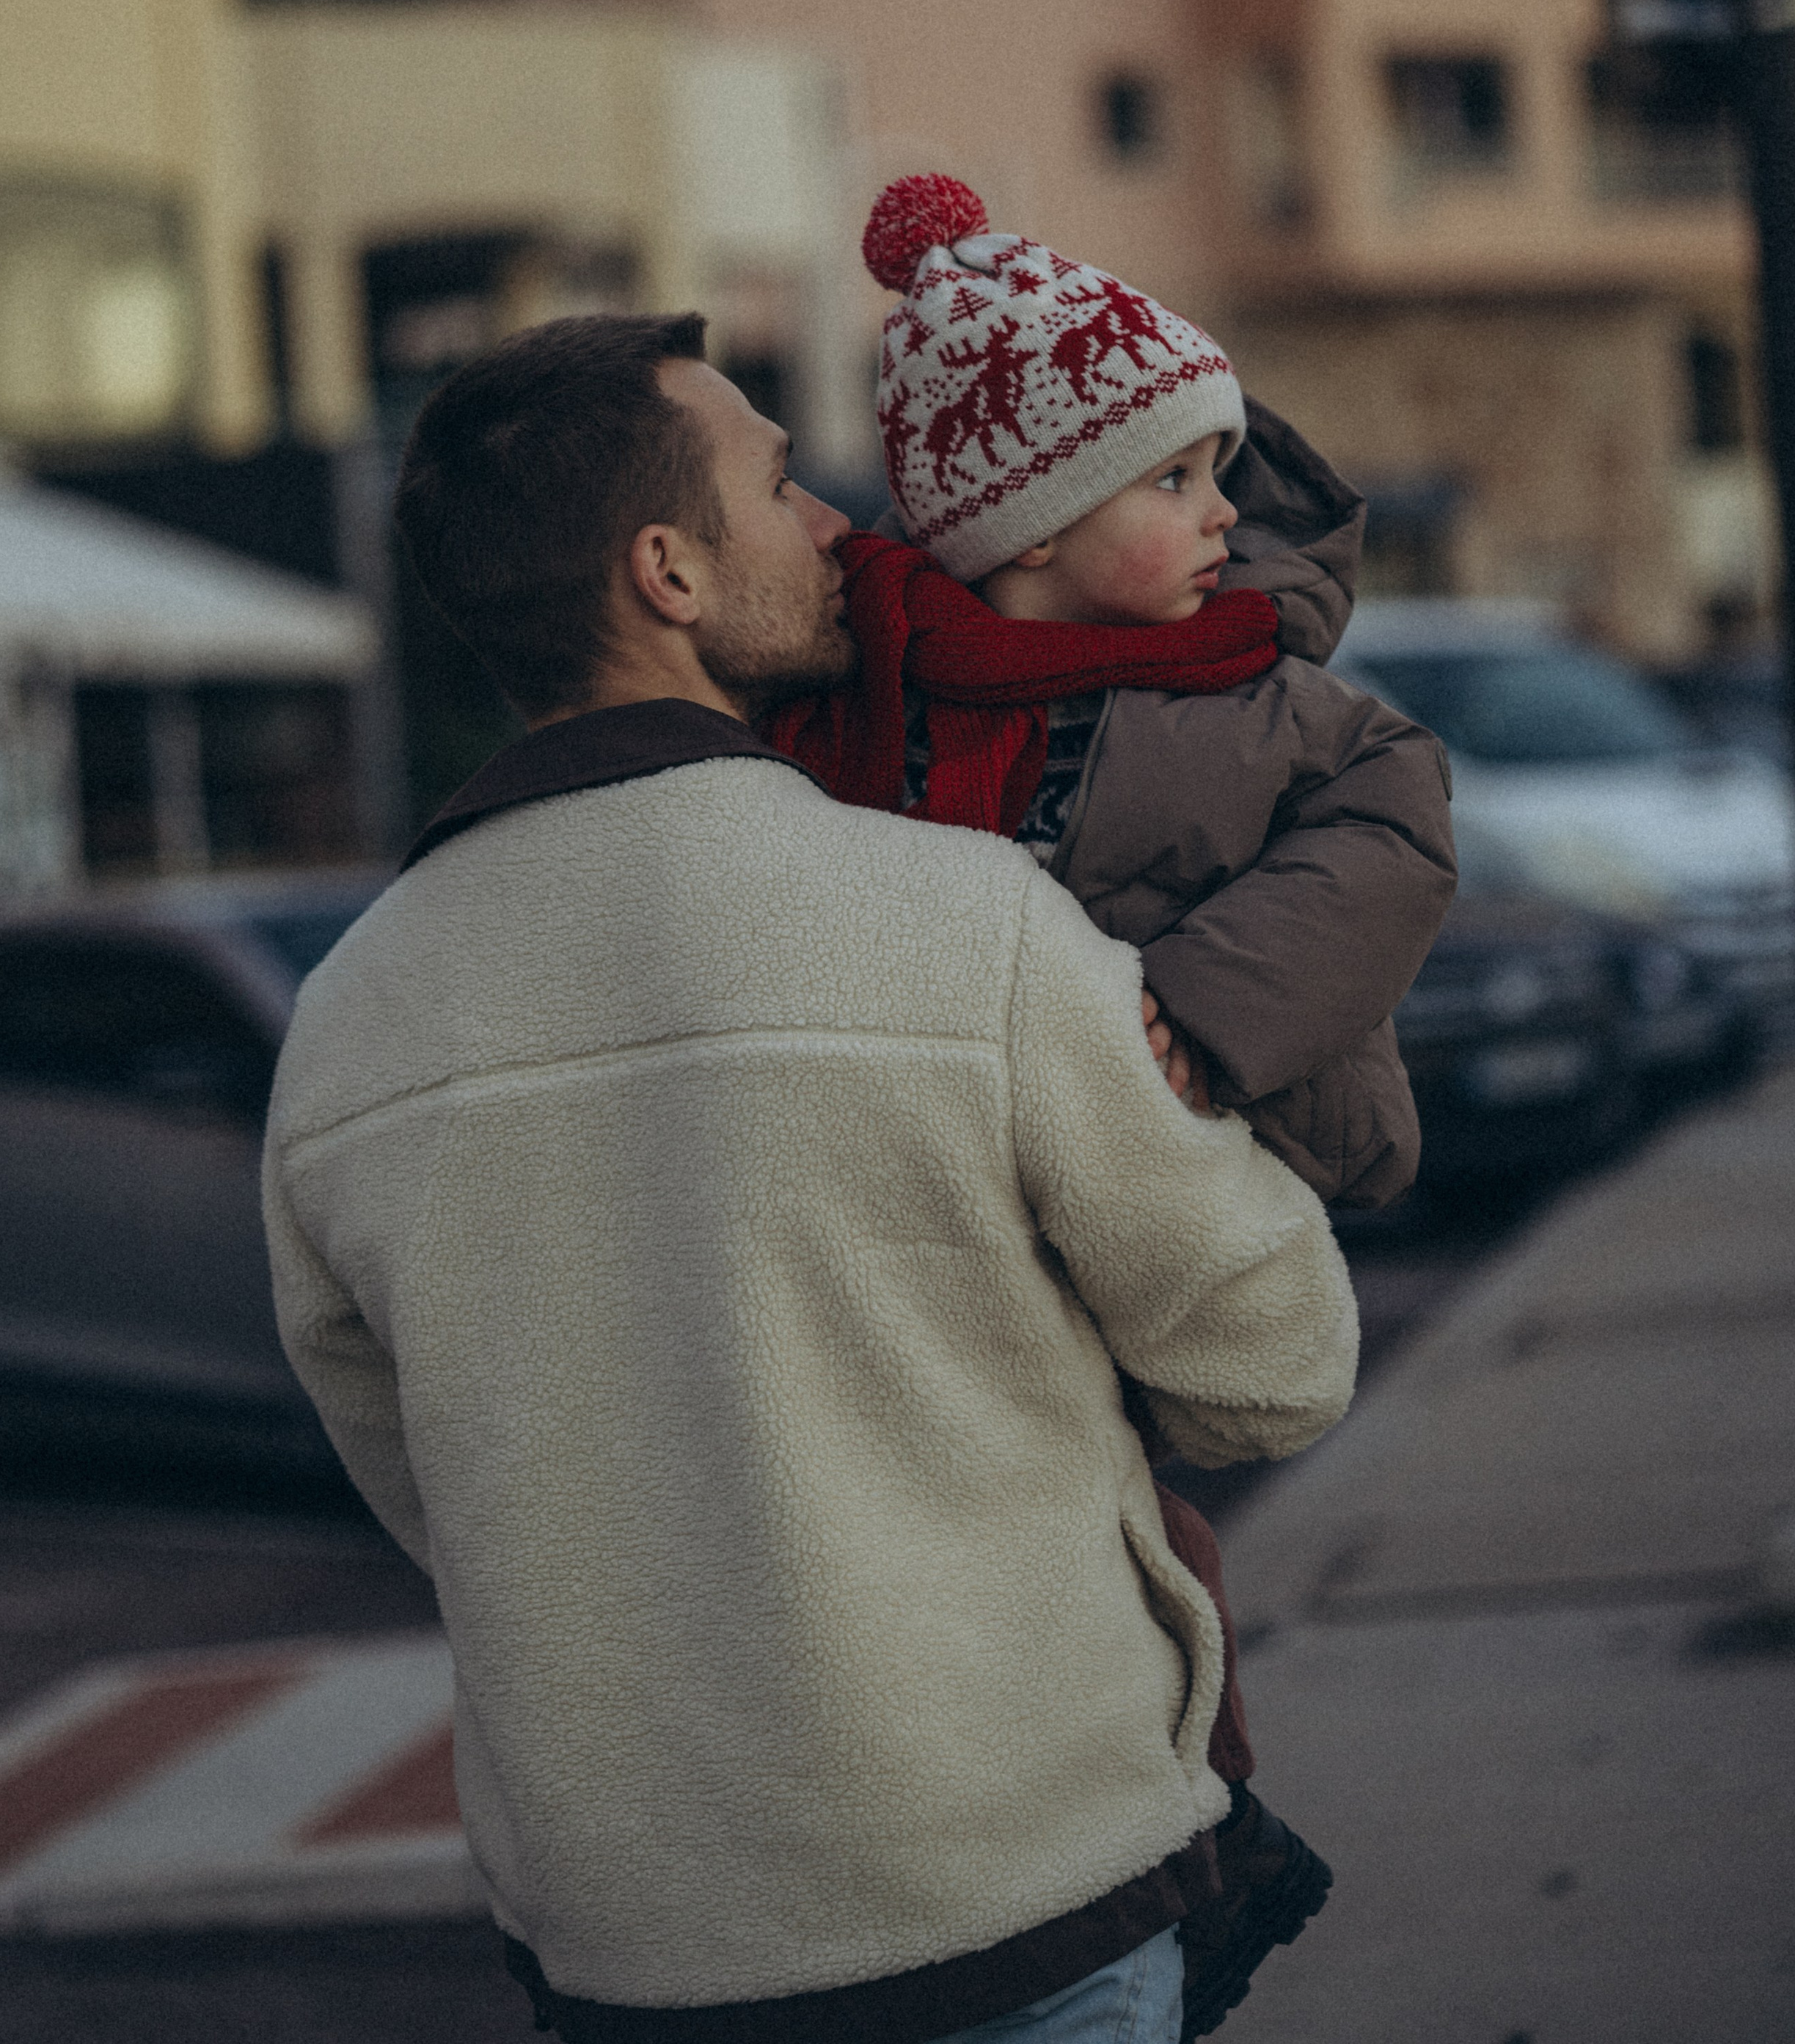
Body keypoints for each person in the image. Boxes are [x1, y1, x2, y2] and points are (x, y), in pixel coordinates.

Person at [262, 311, 1360, 2044]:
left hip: (634, 1950)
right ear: (669, 571)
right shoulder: (963, 923)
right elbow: (1273, 1368)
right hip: (1014, 1896)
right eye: (777, 481)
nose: (841, 525)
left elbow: (434, 1489)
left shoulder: (340, 1031)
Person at [767, 175, 1458, 2036]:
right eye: (1176, 481)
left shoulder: (1250, 695)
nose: (1222, 514)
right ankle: (1054, 1814)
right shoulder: (871, 705)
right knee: (1033, 1515)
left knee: (1149, 1534)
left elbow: (1393, 833)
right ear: (1042, 515)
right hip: (963, 1204)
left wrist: (1212, 1010)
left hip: (1216, 1138)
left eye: (1219, 474)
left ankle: (1185, 1826)